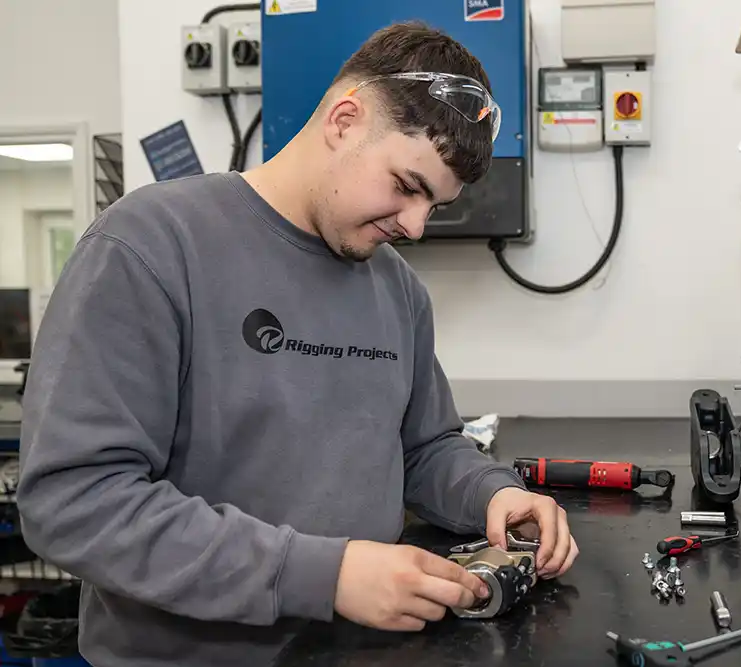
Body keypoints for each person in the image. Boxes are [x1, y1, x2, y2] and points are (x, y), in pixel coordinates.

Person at [16, 21, 579, 667]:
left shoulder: (395, 287)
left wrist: (492, 492)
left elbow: (423, 446)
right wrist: (324, 573)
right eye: (407, 185)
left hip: (363, 649)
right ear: (344, 119)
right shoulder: (151, 245)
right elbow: (75, 501)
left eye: (435, 205)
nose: (416, 226)